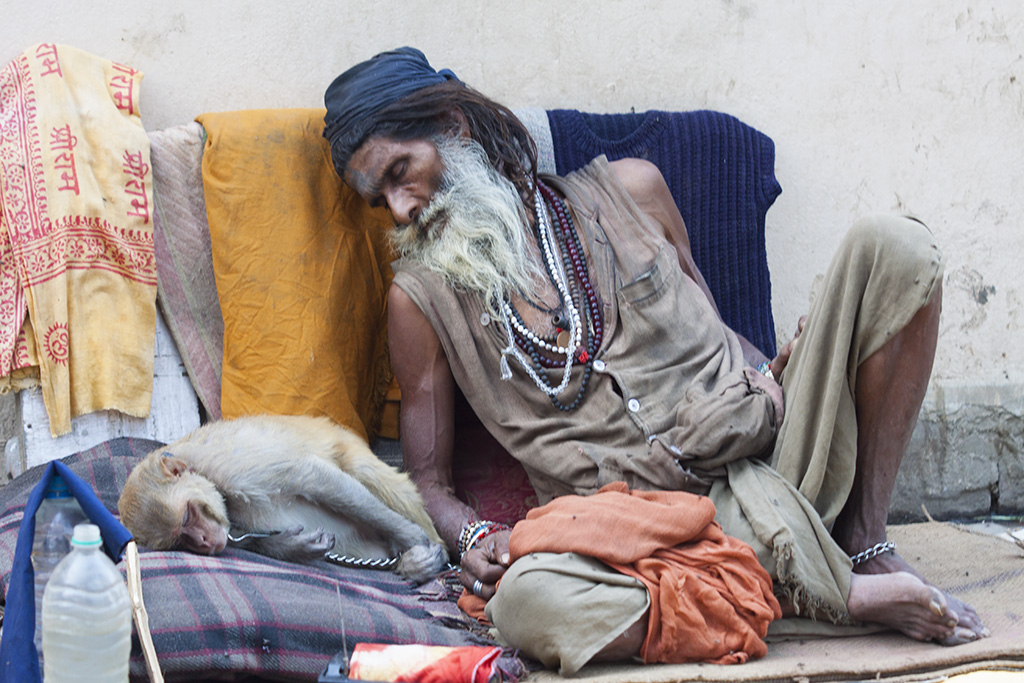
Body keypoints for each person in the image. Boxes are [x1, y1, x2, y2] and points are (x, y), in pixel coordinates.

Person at [322, 47, 989, 671]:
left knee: (895, 247)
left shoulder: (632, 190)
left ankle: (859, 546)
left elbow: (717, 330)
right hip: (645, 542)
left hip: (769, 457)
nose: (404, 208)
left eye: (401, 173)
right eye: (381, 200)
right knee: (528, 602)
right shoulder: (421, 300)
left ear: (452, 123)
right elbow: (430, 482)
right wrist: (470, 535)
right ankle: (833, 593)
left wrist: (775, 370)